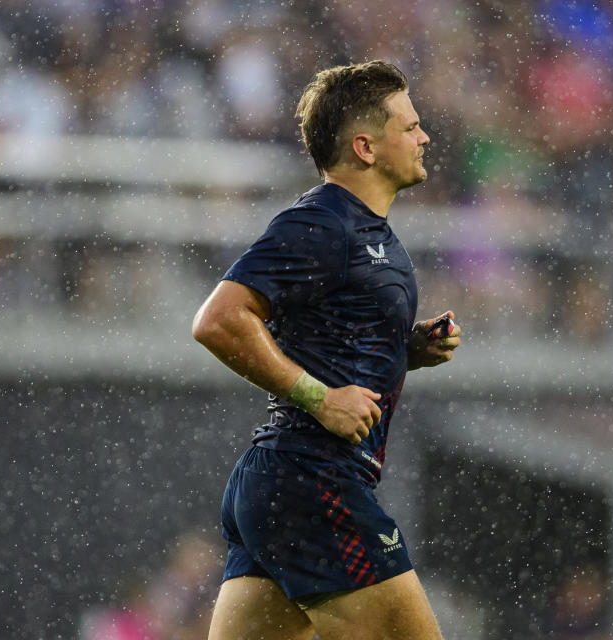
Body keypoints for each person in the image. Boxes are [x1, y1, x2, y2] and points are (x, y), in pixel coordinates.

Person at [192, 60, 461, 640]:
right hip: (315, 481)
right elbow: (218, 320)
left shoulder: (373, 235)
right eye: (409, 126)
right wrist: (318, 398)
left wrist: (402, 350)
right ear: (365, 146)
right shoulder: (322, 223)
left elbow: (331, 338)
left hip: (282, 487)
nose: (425, 136)